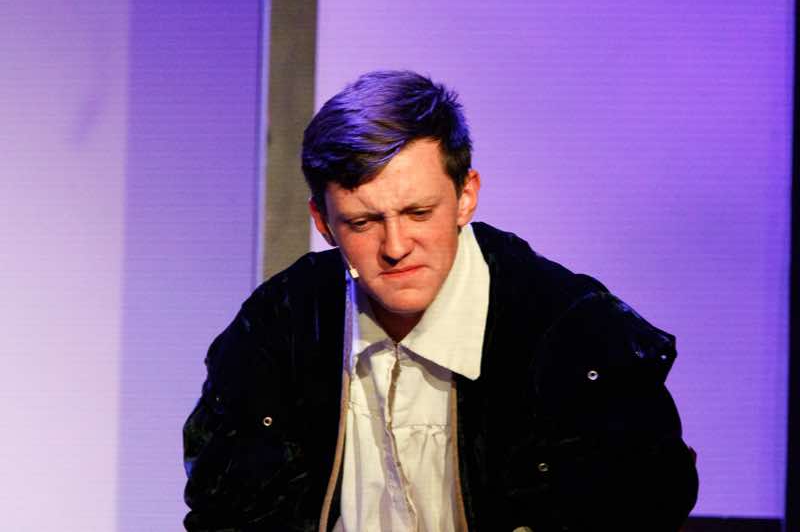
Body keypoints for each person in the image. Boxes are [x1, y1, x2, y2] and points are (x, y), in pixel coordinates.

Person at [183, 70, 698, 532]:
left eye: (419, 213)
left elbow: (641, 502)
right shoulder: (280, 325)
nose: (395, 246)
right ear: (323, 222)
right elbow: (226, 509)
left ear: (466, 196)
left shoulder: (571, 330)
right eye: (362, 222)